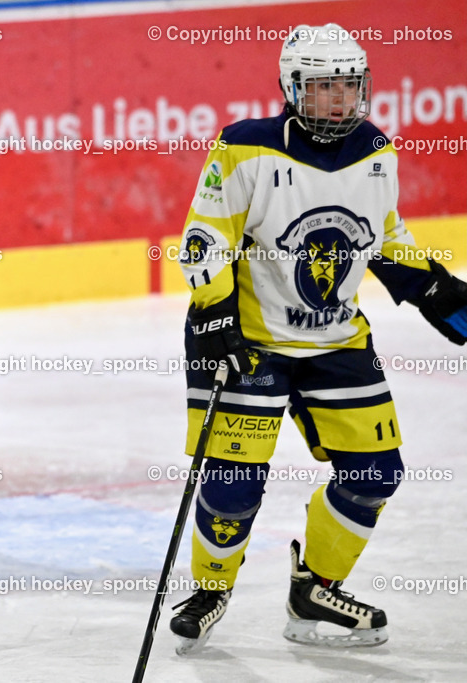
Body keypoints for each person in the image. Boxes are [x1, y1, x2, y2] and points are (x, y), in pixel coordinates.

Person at [169, 23, 467, 653]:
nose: (338, 100)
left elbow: (384, 242)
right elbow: (204, 242)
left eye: (348, 86)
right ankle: (210, 588)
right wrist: (218, 318)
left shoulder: (376, 151)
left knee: (376, 473)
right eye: (323, 87)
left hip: (334, 340)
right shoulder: (243, 147)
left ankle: (315, 588)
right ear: (292, 87)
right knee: (232, 482)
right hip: (246, 339)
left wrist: (437, 290)